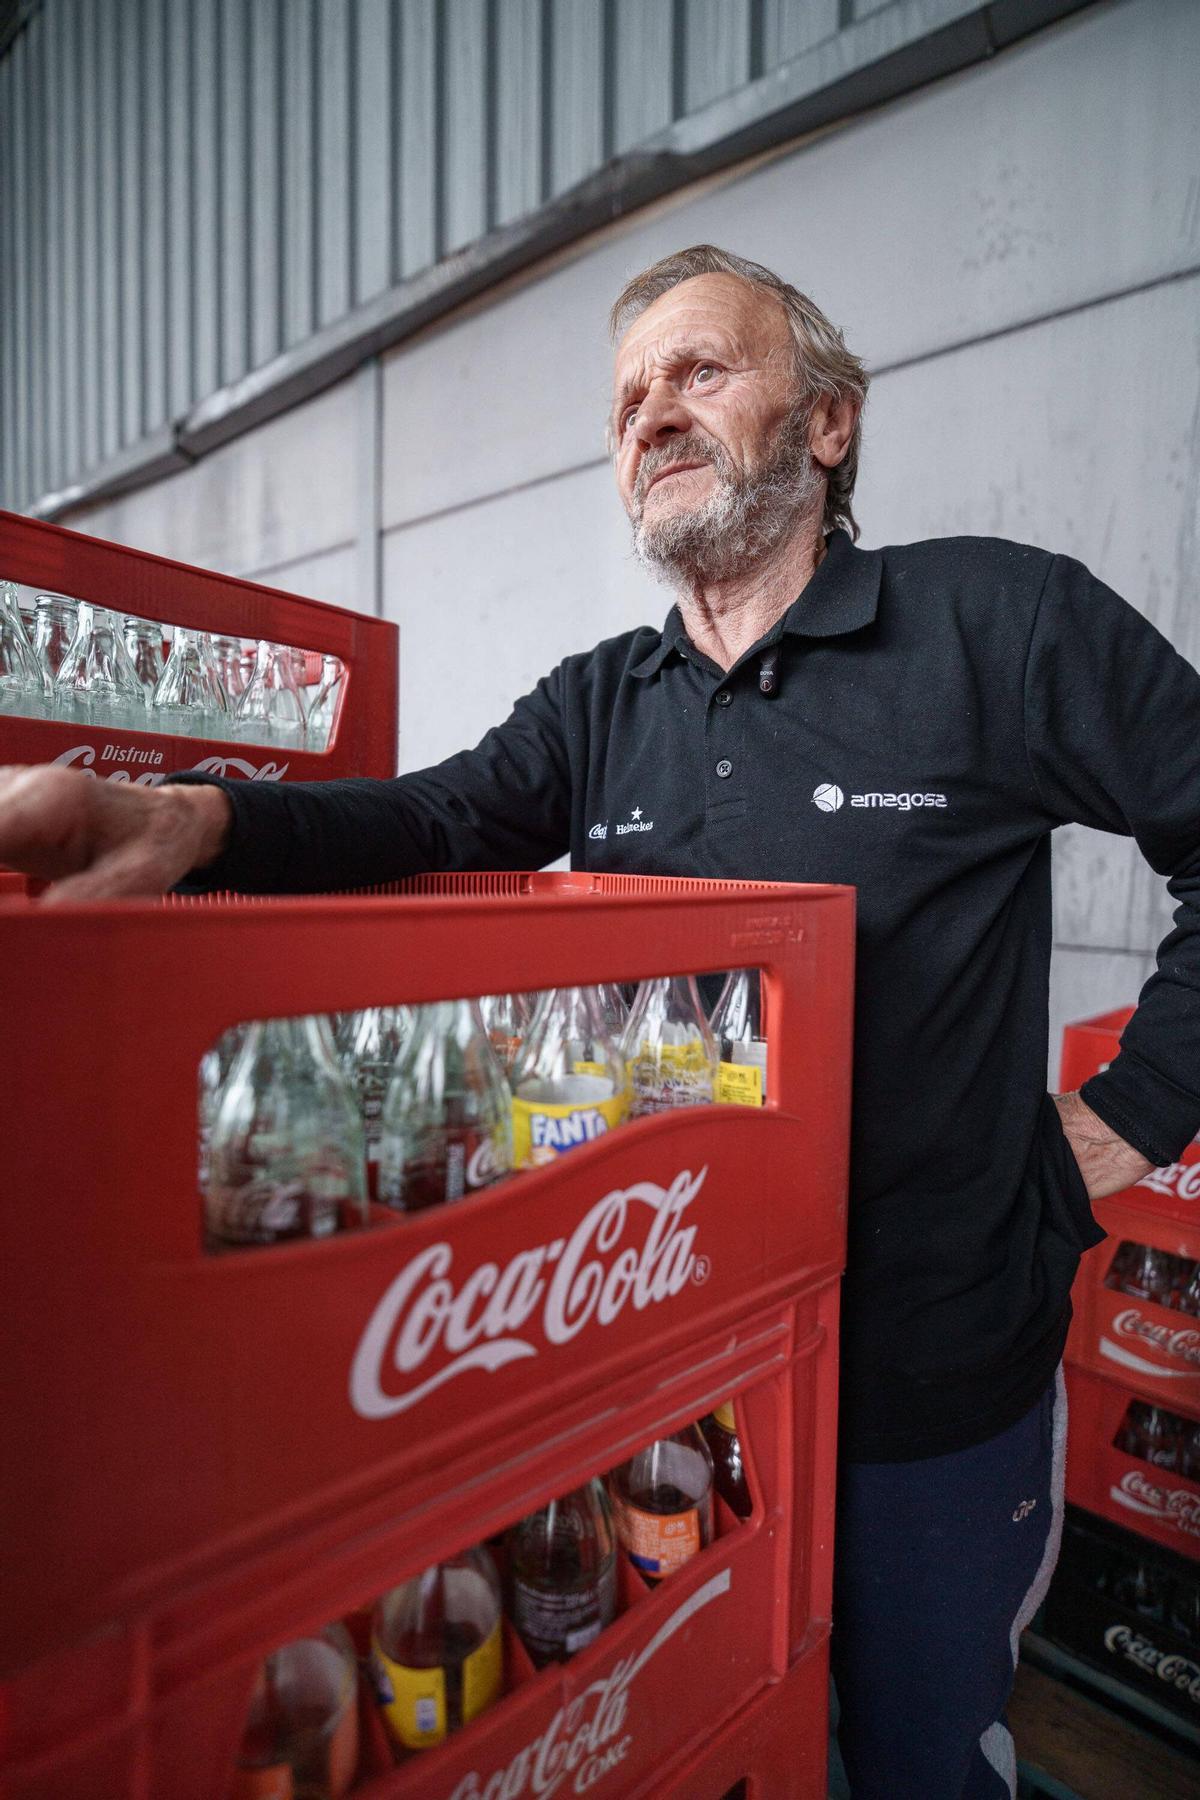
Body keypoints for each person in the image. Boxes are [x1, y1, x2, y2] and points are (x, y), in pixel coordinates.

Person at [2, 244, 1197, 1797]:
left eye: (700, 370)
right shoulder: (601, 703)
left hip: (931, 1387)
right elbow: (432, 820)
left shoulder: (999, 622)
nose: (651, 412)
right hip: (675, 1389)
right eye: (628, 396)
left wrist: (1122, 1121)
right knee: (734, 1729)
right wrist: (193, 826)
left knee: (917, 1759)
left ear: (828, 423)